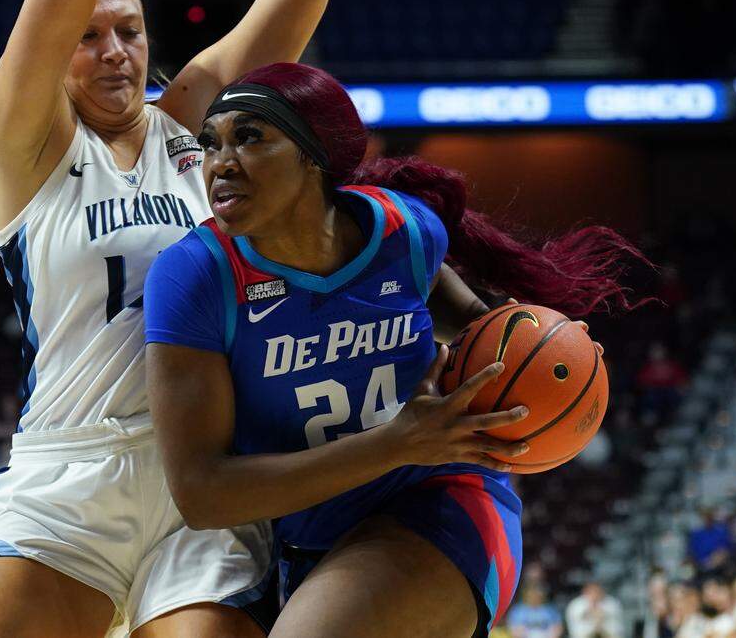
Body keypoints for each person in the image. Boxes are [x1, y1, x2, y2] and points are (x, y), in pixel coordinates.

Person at [143, 62, 647, 638]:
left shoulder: (402, 231)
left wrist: (555, 359)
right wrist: (394, 442)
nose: (220, 164)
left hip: (440, 501)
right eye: (210, 144)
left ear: (313, 155)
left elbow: (485, 335)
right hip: (309, 535)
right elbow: (202, 495)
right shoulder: (194, 274)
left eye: (250, 137)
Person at [0, 0, 348, 637]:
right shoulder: (27, 143)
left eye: (130, 32)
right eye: (87, 36)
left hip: (204, 477)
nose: (114, 51)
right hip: (69, 478)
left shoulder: (191, 122)